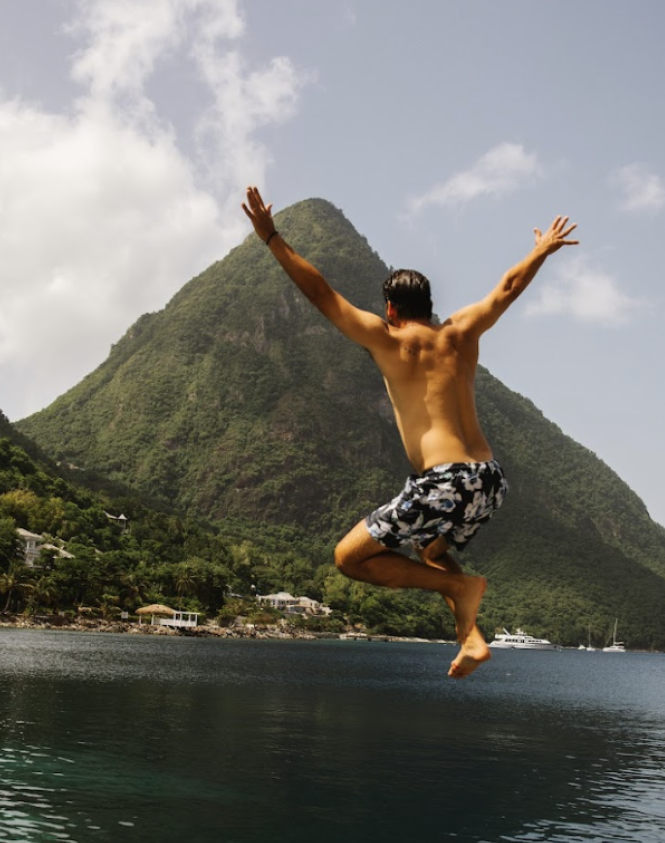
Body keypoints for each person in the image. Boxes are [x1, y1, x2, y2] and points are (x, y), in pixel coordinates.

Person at [242, 186, 578, 677]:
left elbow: (321, 294)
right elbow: (507, 288)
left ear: (391, 309)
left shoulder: (389, 339)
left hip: (444, 480)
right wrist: (540, 249)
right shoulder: (461, 332)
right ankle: (471, 638)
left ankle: (461, 589)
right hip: (489, 480)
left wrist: (271, 236)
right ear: (428, 304)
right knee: (431, 549)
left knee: (349, 558)